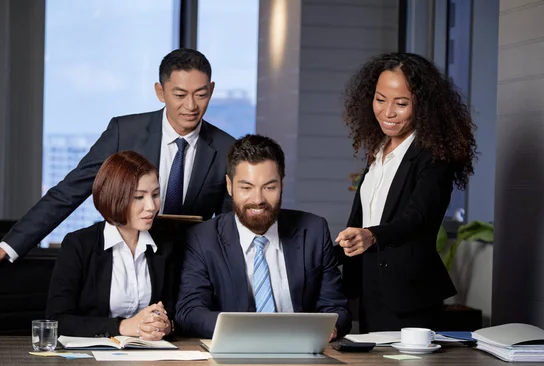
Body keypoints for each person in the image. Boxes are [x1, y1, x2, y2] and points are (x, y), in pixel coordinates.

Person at [0, 48, 235, 279]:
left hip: (190, 273)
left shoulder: (226, 148)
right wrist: (4, 249)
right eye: (180, 95)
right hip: (123, 270)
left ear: (211, 89)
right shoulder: (124, 133)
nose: (191, 106)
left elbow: (227, 230)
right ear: (160, 92)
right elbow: (67, 193)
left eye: (201, 94)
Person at [334, 52, 478, 333]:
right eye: (380, 99)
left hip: (410, 294)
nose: (387, 113)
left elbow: (419, 217)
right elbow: (362, 217)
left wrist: (372, 235)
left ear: (422, 106)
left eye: (401, 103)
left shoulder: (434, 155)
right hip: (369, 284)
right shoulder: (378, 151)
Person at [176, 134, 351, 339]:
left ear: (282, 184)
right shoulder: (202, 238)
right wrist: (251, 330)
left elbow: (337, 308)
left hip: (301, 354)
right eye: (246, 187)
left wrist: (330, 327)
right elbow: (190, 312)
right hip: (234, 354)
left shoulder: (313, 230)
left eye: (269, 187)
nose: (258, 200)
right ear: (230, 186)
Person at [46, 151, 178, 339]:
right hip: (91, 360)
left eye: (155, 194)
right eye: (139, 197)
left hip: (149, 358)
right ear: (114, 197)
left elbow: (175, 312)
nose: (151, 206)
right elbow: (57, 320)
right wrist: (124, 327)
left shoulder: (165, 244)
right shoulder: (79, 245)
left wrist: (165, 325)